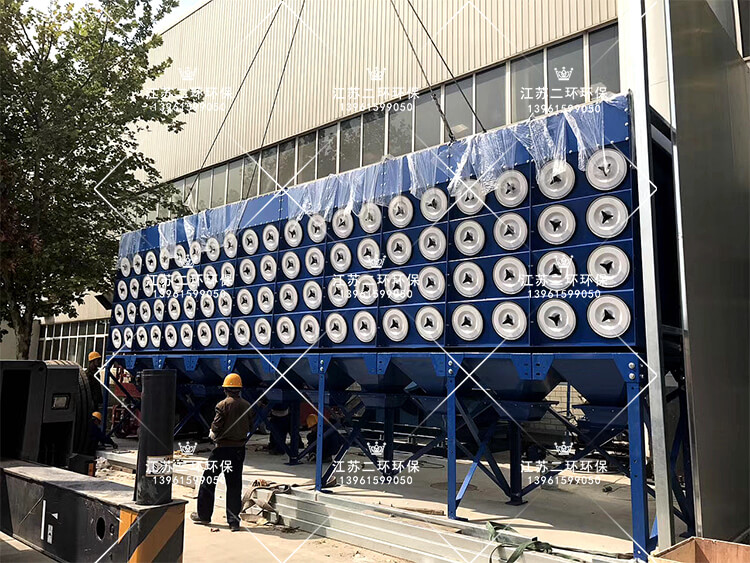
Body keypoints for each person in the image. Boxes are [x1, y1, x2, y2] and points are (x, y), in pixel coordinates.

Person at [191, 373, 252, 531]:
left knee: (208, 481)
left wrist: (213, 433)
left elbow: (217, 425)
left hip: (221, 450)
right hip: (238, 450)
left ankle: (204, 516)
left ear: (225, 389)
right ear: (239, 389)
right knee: (234, 485)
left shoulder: (222, 405)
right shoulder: (247, 405)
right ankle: (233, 522)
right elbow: (250, 426)